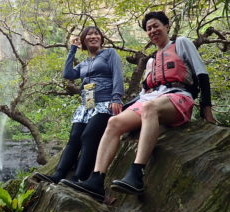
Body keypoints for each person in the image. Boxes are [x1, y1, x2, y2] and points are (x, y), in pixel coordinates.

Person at [61, 11, 216, 201]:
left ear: (166, 26)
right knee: (114, 122)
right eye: (149, 28)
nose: (152, 30)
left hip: (178, 95)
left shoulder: (181, 43)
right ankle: (96, 180)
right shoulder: (151, 60)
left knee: (150, 108)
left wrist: (206, 108)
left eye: (156, 26)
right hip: (151, 98)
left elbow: (202, 73)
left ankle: (136, 173)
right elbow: (144, 92)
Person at [35, 25, 124, 184]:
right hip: (87, 104)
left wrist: (116, 98)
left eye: (96, 34)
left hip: (105, 102)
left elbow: (118, 74)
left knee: (88, 135)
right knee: (74, 138)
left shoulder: (109, 53)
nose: (93, 36)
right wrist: (72, 49)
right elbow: (67, 74)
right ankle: (58, 175)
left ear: (101, 38)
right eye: (89, 35)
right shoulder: (84, 63)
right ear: (84, 41)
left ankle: (79, 177)